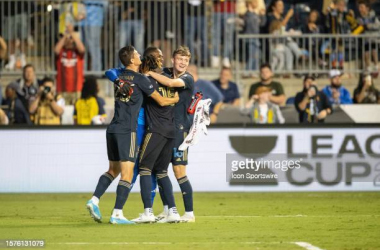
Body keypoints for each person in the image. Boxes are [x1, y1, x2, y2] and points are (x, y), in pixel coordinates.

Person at [86, 46, 179, 225]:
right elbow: (160, 100)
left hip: (112, 128)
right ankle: (118, 214)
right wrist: (175, 99)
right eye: (137, 54)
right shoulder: (141, 79)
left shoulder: (120, 76)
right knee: (128, 174)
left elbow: (109, 72)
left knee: (113, 171)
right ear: (131, 60)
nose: (140, 56)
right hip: (128, 130)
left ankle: (94, 200)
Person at [132, 48, 182, 224]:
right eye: (159, 56)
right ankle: (173, 212)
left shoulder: (147, 79)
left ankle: (148, 212)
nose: (162, 58)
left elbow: (157, 100)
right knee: (161, 172)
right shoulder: (169, 78)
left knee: (144, 168)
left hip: (156, 129)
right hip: (170, 131)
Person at [147, 46, 196, 223]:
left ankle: (189, 213)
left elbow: (169, 84)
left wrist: (150, 74)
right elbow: (159, 72)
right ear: (173, 59)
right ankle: (168, 210)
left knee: (179, 170)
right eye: (180, 59)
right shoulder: (166, 72)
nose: (183, 63)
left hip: (180, 130)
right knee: (160, 169)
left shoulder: (187, 79)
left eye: (186, 60)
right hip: (165, 128)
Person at [54, 24, 85, 104]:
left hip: (77, 89)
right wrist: (65, 36)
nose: (69, 39)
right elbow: (56, 50)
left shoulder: (78, 53)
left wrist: (72, 33)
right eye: (68, 38)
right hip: (62, 89)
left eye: (71, 38)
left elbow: (82, 49)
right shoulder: (61, 52)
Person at [79, 0, 107, 71]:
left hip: (95, 16)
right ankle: (83, 70)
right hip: (82, 15)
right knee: (83, 44)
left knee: (94, 45)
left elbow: (105, 3)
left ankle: (96, 71)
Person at [243, 0, 266, 74]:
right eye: (255, 2)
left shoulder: (255, 14)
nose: (257, 4)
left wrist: (262, 16)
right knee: (252, 55)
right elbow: (250, 25)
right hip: (250, 37)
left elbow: (262, 24)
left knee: (256, 55)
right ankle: (247, 71)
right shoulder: (247, 15)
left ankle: (254, 71)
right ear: (250, 3)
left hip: (256, 38)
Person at [356, 0, 380, 74]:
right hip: (366, 39)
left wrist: (369, 26)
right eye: (359, 7)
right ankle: (368, 66)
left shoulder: (373, 16)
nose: (360, 9)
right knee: (366, 52)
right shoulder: (359, 18)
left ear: (367, 8)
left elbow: (377, 25)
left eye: (362, 7)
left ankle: (376, 66)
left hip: (374, 38)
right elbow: (360, 27)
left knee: (374, 50)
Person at [211, 0, 236, 68]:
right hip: (217, 11)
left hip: (230, 10)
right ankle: (215, 57)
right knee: (215, 35)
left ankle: (226, 57)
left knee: (228, 36)